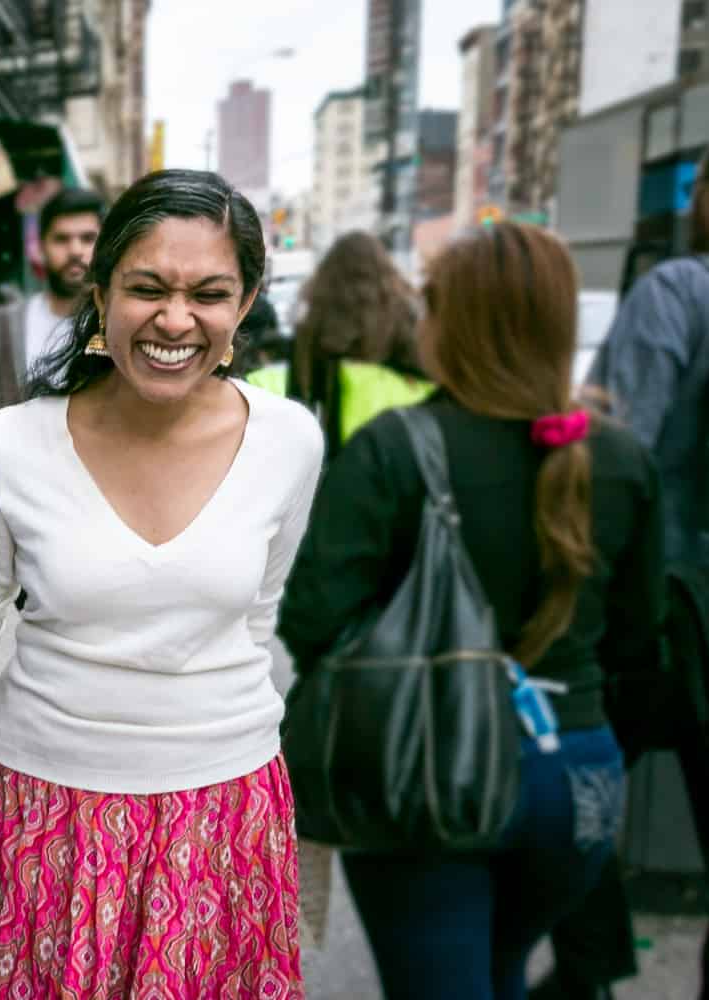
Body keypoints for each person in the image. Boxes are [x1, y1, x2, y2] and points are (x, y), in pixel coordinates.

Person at [0, 169, 323, 998]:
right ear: (100, 292)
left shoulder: (288, 440)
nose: (174, 319)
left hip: (227, 814)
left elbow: (258, 619)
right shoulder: (11, 442)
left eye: (209, 293)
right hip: (45, 812)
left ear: (248, 301)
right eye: (147, 288)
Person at [278, 222, 665, 1000]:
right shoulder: (619, 457)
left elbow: (312, 616)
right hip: (578, 783)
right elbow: (637, 636)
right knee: (501, 970)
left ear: (455, 322)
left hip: (429, 772)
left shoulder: (398, 448)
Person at [572, 149, 709, 1000]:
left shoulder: (677, 291)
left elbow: (625, 457)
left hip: (665, 612)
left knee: (573, 807)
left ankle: (585, 974)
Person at [0, 187, 104, 414]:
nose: (75, 250)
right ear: (40, 247)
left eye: (87, 239)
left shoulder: (118, 328)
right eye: (61, 239)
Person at [288, 230, 430, 459]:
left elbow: (299, 394)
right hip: (407, 441)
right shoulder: (406, 313)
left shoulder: (315, 323)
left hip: (341, 449)